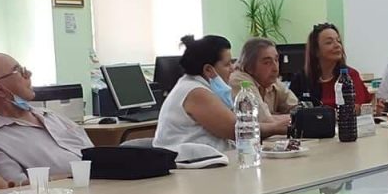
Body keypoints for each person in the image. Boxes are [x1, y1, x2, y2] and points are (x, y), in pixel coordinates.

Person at [0, 53, 94, 183]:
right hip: (69, 193)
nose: (29, 74)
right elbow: (18, 187)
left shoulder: (50, 115)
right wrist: (79, 175)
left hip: (102, 185)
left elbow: (94, 154)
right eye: (19, 71)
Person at [153, 35, 288, 152]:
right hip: (190, 166)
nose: (233, 68)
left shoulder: (202, 87)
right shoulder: (195, 91)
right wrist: (277, 128)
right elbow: (236, 130)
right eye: (227, 64)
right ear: (208, 70)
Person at [289, 23, 371, 109]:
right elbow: (290, 109)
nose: (337, 45)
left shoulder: (349, 75)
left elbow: (357, 108)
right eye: (329, 42)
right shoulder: (301, 79)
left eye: (338, 41)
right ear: (316, 51)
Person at [229, 38, 298, 123]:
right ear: (249, 66)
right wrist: (290, 118)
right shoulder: (239, 80)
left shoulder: (271, 81)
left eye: (276, 60)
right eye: (267, 63)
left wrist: (274, 117)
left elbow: (300, 111)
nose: (275, 68)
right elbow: (262, 119)